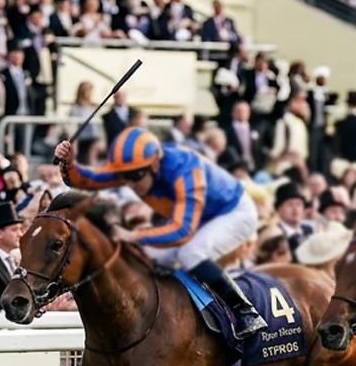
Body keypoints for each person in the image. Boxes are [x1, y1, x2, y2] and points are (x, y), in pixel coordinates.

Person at [56, 126, 266, 337]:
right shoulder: (136, 165)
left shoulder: (184, 170)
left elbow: (183, 231)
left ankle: (245, 311)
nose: (131, 184)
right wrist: (68, 163)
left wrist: (134, 235)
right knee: (151, 255)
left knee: (190, 253)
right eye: (124, 177)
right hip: (198, 218)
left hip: (233, 212)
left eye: (135, 176)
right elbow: (87, 180)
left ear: (155, 165)